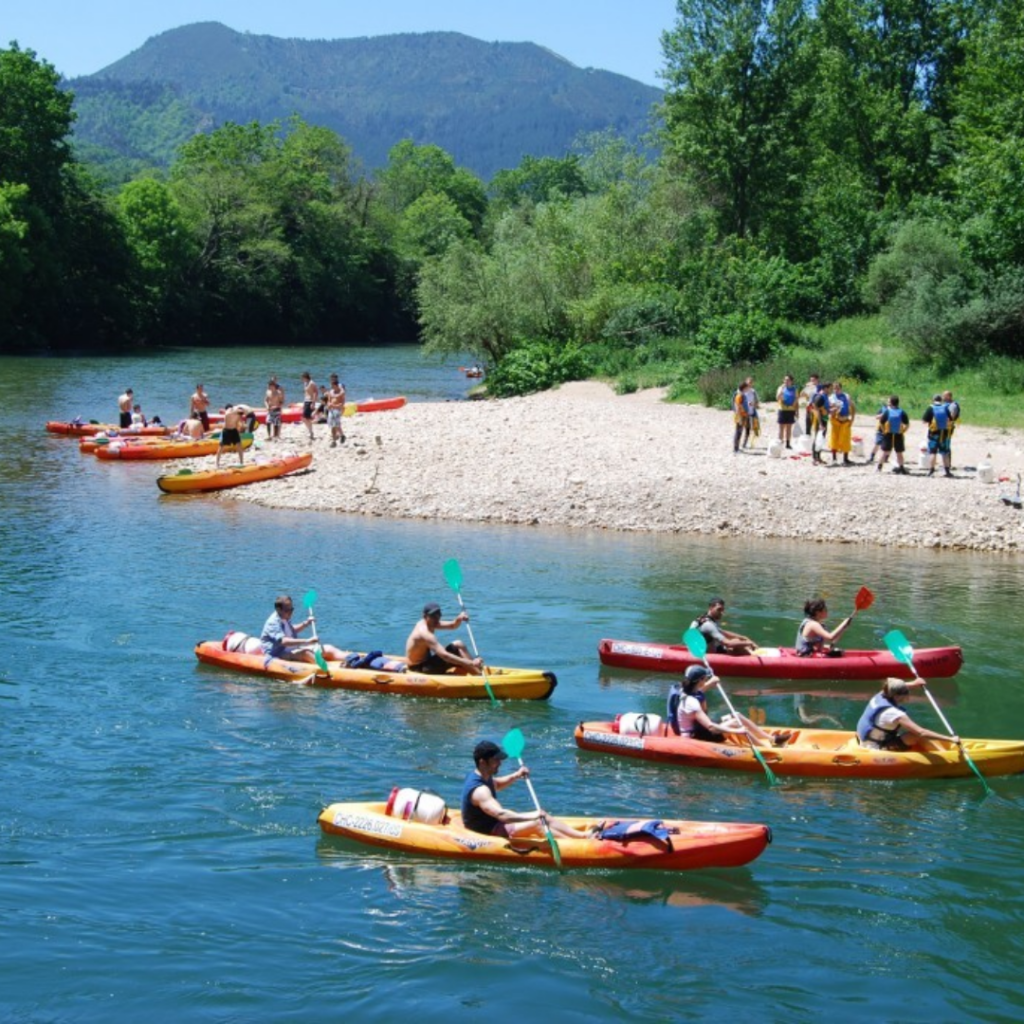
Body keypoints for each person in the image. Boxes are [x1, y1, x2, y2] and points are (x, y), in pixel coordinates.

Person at [461, 739, 594, 839]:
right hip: (488, 831)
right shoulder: (480, 791)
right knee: (537, 823)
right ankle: (573, 845)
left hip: (495, 823)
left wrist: (516, 775)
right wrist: (530, 817)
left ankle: (582, 836)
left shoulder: (483, 775)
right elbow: (502, 815)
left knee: (543, 815)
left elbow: (497, 784)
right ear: (482, 762)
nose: (500, 763)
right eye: (495, 760)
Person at [667, 666, 788, 746]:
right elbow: (711, 728)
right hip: (696, 736)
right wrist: (737, 730)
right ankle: (763, 748)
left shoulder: (684, 690)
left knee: (737, 715)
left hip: (700, 728)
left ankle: (772, 739)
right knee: (736, 723)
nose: (706, 680)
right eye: (706, 678)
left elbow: (699, 691)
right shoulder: (691, 702)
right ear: (700, 680)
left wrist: (710, 683)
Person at [856, 678, 959, 750]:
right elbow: (921, 732)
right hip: (875, 747)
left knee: (915, 734)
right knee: (917, 735)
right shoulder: (894, 713)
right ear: (898, 696)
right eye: (907, 692)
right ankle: (945, 756)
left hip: (865, 740)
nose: (909, 694)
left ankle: (939, 752)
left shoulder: (881, 695)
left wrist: (913, 683)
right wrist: (950, 739)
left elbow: (891, 687)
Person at [260, 595, 346, 664]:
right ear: (278, 609)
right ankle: (329, 670)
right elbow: (283, 641)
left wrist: (306, 623)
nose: (291, 612)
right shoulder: (273, 623)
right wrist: (307, 641)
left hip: (292, 649)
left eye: (292, 609)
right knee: (306, 654)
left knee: (328, 648)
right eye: (288, 610)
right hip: (278, 653)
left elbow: (290, 630)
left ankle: (352, 658)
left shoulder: (284, 615)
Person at [405, 602, 483, 674]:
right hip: (419, 668)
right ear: (425, 616)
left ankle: (477, 671)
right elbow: (445, 656)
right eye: (433, 616)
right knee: (456, 653)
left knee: (458, 644)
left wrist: (459, 618)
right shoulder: (425, 633)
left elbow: (452, 625)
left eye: (438, 614)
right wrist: (471, 663)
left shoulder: (431, 623)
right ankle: (478, 674)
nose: (437, 618)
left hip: (427, 662)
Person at [689, 598, 759, 656]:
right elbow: (728, 644)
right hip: (707, 655)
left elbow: (721, 632)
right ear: (711, 608)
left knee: (738, 640)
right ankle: (754, 661)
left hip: (698, 651)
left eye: (722, 610)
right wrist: (749, 643)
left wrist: (743, 637)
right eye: (719, 609)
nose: (722, 613)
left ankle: (752, 654)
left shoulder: (702, 619)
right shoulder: (708, 625)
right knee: (736, 644)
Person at [923, 392, 957, 478]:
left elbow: (924, 421)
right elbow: (950, 419)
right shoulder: (945, 408)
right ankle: (947, 471)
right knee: (945, 452)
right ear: (941, 400)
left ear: (933, 400)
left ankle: (931, 471)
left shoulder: (930, 408)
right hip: (944, 434)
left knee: (933, 452)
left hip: (934, 434)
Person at [876, 395, 910, 474]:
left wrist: (884, 430)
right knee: (899, 452)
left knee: (885, 452)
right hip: (899, 434)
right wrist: (903, 431)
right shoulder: (902, 412)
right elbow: (907, 424)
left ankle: (879, 467)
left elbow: (881, 422)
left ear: (891, 403)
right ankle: (902, 468)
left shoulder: (887, 411)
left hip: (888, 434)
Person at [827, 380, 856, 465]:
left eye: (838, 388)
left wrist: (852, 419)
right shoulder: (831, 398)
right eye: (834, 388)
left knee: (846, 440)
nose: (836, 390)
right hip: (835, 421)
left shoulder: (846, 396)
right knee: (834, 439)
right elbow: (829, 409)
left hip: (846, 420)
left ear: (841, 388)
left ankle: (845, 459)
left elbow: (853, 407)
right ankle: (834, 459)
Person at [216, 403, 251, 468]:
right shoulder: (228, 413)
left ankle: (241, 462)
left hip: (234, 430)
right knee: (221, 447)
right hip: (226, 431)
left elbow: (238, 422)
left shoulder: (237, 414)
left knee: (239, 445)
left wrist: (242, 426)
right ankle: (217, 464)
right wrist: (236, 409)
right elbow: (230, 412)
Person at [809, 380, 830, 464]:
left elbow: (825, 408)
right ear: (825, 388)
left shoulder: (825, 396)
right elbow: (816, 409)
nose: (831, 390)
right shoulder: (820, 397)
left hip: (825, 419)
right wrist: (820, 423)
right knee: (817, 438)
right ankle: (814, 458)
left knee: (821, 439)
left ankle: (819, 457)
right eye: (830, 388)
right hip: (820, 420)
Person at [776, 373, 799, 449]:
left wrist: (797, 411)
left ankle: (788, 443)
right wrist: (782, 390)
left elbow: (796, 400)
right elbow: (778, 397)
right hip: (782, 409)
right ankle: (780, 442)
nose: (786, 381)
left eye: (788, 380)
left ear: (791, 381)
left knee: (789, 427)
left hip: (791, 410)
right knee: (781, 427)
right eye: (785, 380)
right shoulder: (781, 388)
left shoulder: (794, 389)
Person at [326, 375, 347, 447]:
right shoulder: (331, 391)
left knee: (336, 425)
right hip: (331, 409)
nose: (332, 387)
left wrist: (333, 405)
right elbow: (328, 400)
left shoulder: (341, 392)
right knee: (332, 426)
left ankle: (337, 438)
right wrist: (329, 404)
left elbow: (342, 404)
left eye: (333, 386)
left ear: (336, 385)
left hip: (337, 410)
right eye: (331, 386)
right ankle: (335, 440)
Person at [732, 381, 750, 454]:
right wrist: (740, 416)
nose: (748, 389)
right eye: (747, 387)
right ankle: (736, 449)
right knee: (738, 432)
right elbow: (738, 406)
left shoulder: (742, 395)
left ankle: (737, 448)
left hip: (742, 415)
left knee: (739, 431)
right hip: (740, 416)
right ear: (744, 388)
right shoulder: (740, 395)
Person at [265, 377, 285, 441]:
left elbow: (282, 402)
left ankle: (275, 436)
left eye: (270, 386)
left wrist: (277, 406)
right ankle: (269, 436)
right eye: (269, 386)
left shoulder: (279, 392)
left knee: (276, 423)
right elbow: (265, 400)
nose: (269, 387)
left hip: (277, 410)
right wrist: (267, 406)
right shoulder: (268, 392)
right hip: (270, 409)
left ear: (273, 386)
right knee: (268, 422)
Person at [742, 376, 760, 448]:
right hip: (745, 413)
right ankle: (744, 443)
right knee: (747, 429)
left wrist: (754, 404)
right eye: (748, 382)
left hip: (752, 412)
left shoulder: (753, 391)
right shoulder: (742, 392)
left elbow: (757, 403)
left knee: (755, 429)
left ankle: (752, 444)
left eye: (751, 382)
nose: (749, 384)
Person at [301, 372, 318, 441]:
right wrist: (304, 402)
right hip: (306, 401)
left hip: (310, 401)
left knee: (305, 417)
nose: (302, 379)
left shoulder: (312, 383)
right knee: (305, 418)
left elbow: (315, 393)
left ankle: (311, 432)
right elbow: (306, 393)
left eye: (303, 378)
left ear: (306, 377)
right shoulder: (305, 383)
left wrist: (313, 403)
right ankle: (310, 431)